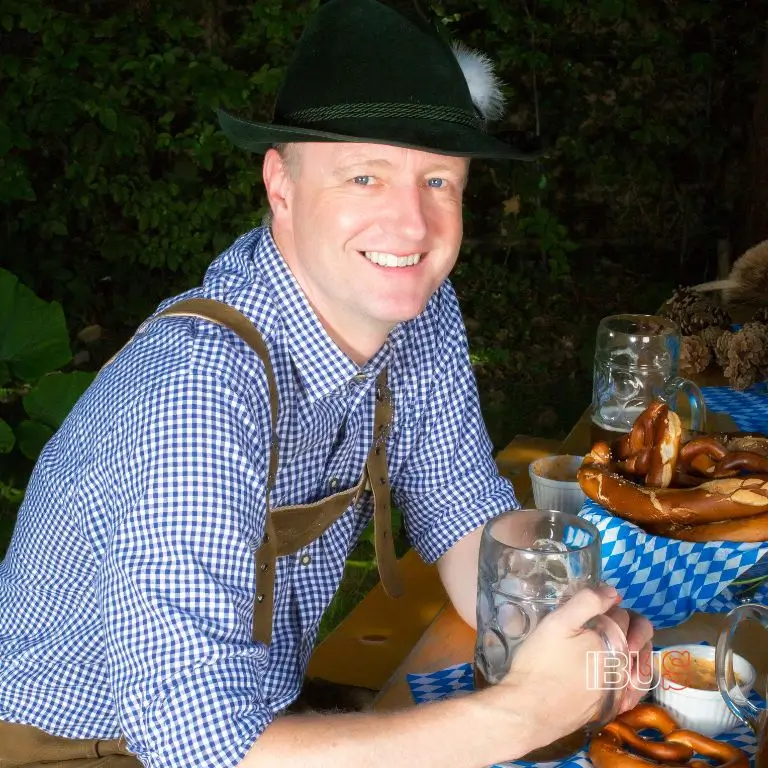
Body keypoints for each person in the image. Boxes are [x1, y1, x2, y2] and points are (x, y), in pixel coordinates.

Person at [0, 1, 653, 767]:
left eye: (437, 180)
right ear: (281, 184)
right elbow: (193, 741)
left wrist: (552, 618)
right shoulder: (196, 392)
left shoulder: (416, 306)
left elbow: (461, 509)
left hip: (256, 708)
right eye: (365, 175)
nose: (411, 224)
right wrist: (516, 714)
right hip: (84, 744)